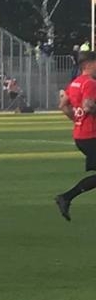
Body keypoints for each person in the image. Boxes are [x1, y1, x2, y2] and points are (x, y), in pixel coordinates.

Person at [55, 52, 96, 221]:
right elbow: (88, 106)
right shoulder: (90, 83)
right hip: (92, 135)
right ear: (89, 64)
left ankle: (66, 197)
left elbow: (63, 105)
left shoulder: (75, 83)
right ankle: (66, 197)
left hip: (81, 135)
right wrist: (85, 114)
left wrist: (76, 120)